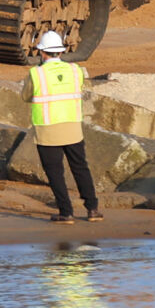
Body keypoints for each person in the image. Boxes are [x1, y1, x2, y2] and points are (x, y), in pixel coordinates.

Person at [21, 30, 99, 223]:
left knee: (55, 172)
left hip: (48, 130)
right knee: (80, 167)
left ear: (42, 52)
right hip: (72, 128)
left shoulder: (36, 73)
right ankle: (93, 210)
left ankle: (66, 212)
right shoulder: (75, 70)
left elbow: (25, 97)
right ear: (61, 52)